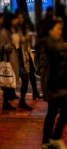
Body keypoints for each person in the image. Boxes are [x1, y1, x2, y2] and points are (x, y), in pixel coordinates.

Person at [37, 18, 67, 149]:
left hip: (58, 83)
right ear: (50, 30)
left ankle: (47, 140)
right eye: (58, 28)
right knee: (63, 110)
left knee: (52, 112)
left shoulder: (56, 42)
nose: (60, 31)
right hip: (52, 83)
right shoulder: (48, 42)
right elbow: (57, 50)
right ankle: (54, 138)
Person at [0, 13, 32, 111]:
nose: (16, 21)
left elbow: (21, 41)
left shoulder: (17, 29)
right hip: (10, 60)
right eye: (14, 19)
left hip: (20, 59)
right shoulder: (4, 32)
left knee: (26, 79)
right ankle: (5, 102)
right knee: (7, 82)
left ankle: (22, 101)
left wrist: (24, 39)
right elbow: (1, 47)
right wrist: (11, 44)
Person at [16, 10, 42, 100]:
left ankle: (35, 92)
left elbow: (29, 42)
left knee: (32, 74)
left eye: (22, 18)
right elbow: (15, 43)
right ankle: (19, 99)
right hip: (20, 56)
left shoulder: (25, 28)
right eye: (18, 18)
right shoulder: (15, 29)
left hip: (27, 54)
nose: (20, 19)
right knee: (25, 79)